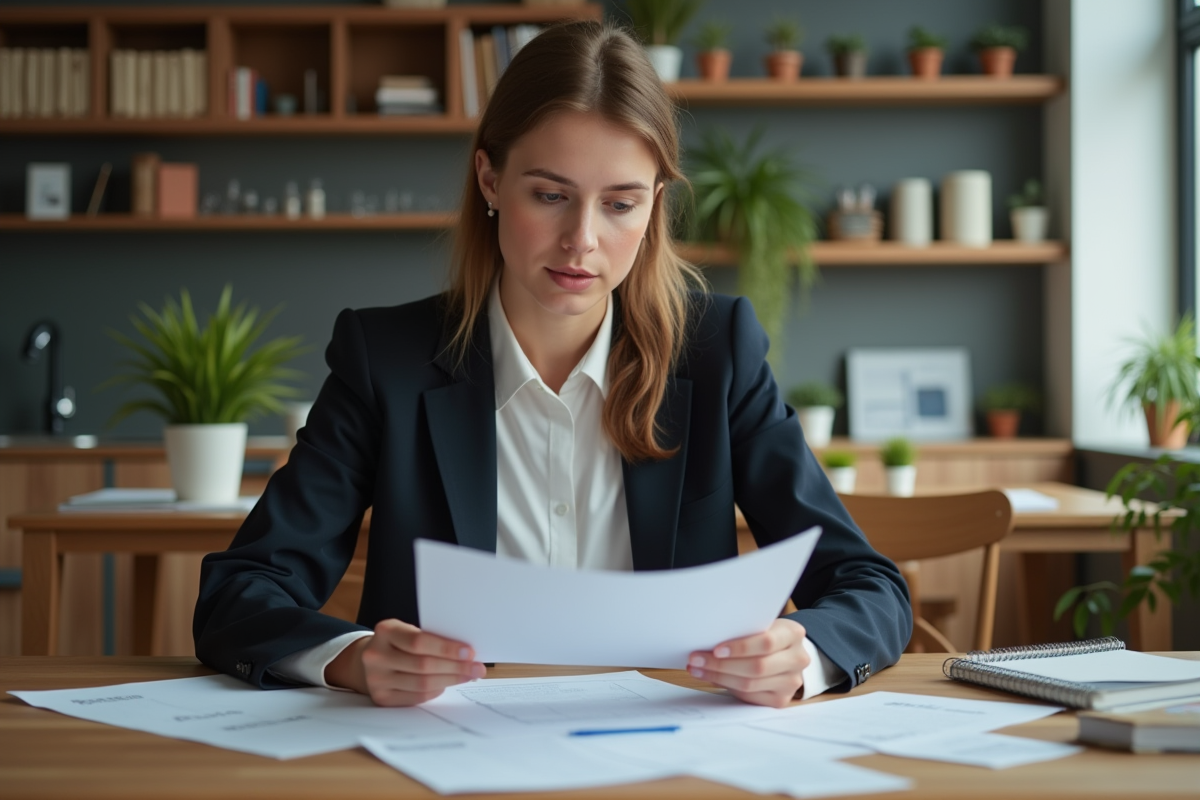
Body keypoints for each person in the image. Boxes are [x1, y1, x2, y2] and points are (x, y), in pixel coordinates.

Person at [193, 21, 910, 710]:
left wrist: (805, 652)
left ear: (655, 206)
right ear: (489, 180)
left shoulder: (718, 352)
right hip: (443, 753)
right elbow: (241, 591)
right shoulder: (388, 360)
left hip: (673, 757)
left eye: (621, 204)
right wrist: (351, 659)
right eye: (549, 195)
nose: (583, 241)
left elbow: (868, 585)